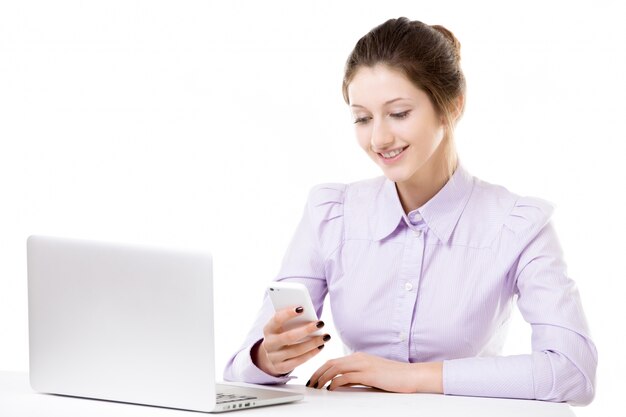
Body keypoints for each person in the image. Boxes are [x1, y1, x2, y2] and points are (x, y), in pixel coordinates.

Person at [223, 17, 597, 406]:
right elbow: (239, 369)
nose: (379, 138)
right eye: (363, 118)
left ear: (452, 106)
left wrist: (410, 377)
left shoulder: (518, 224)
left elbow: (573, 373)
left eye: (399, 113)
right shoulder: (331, 214)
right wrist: (269, 357)